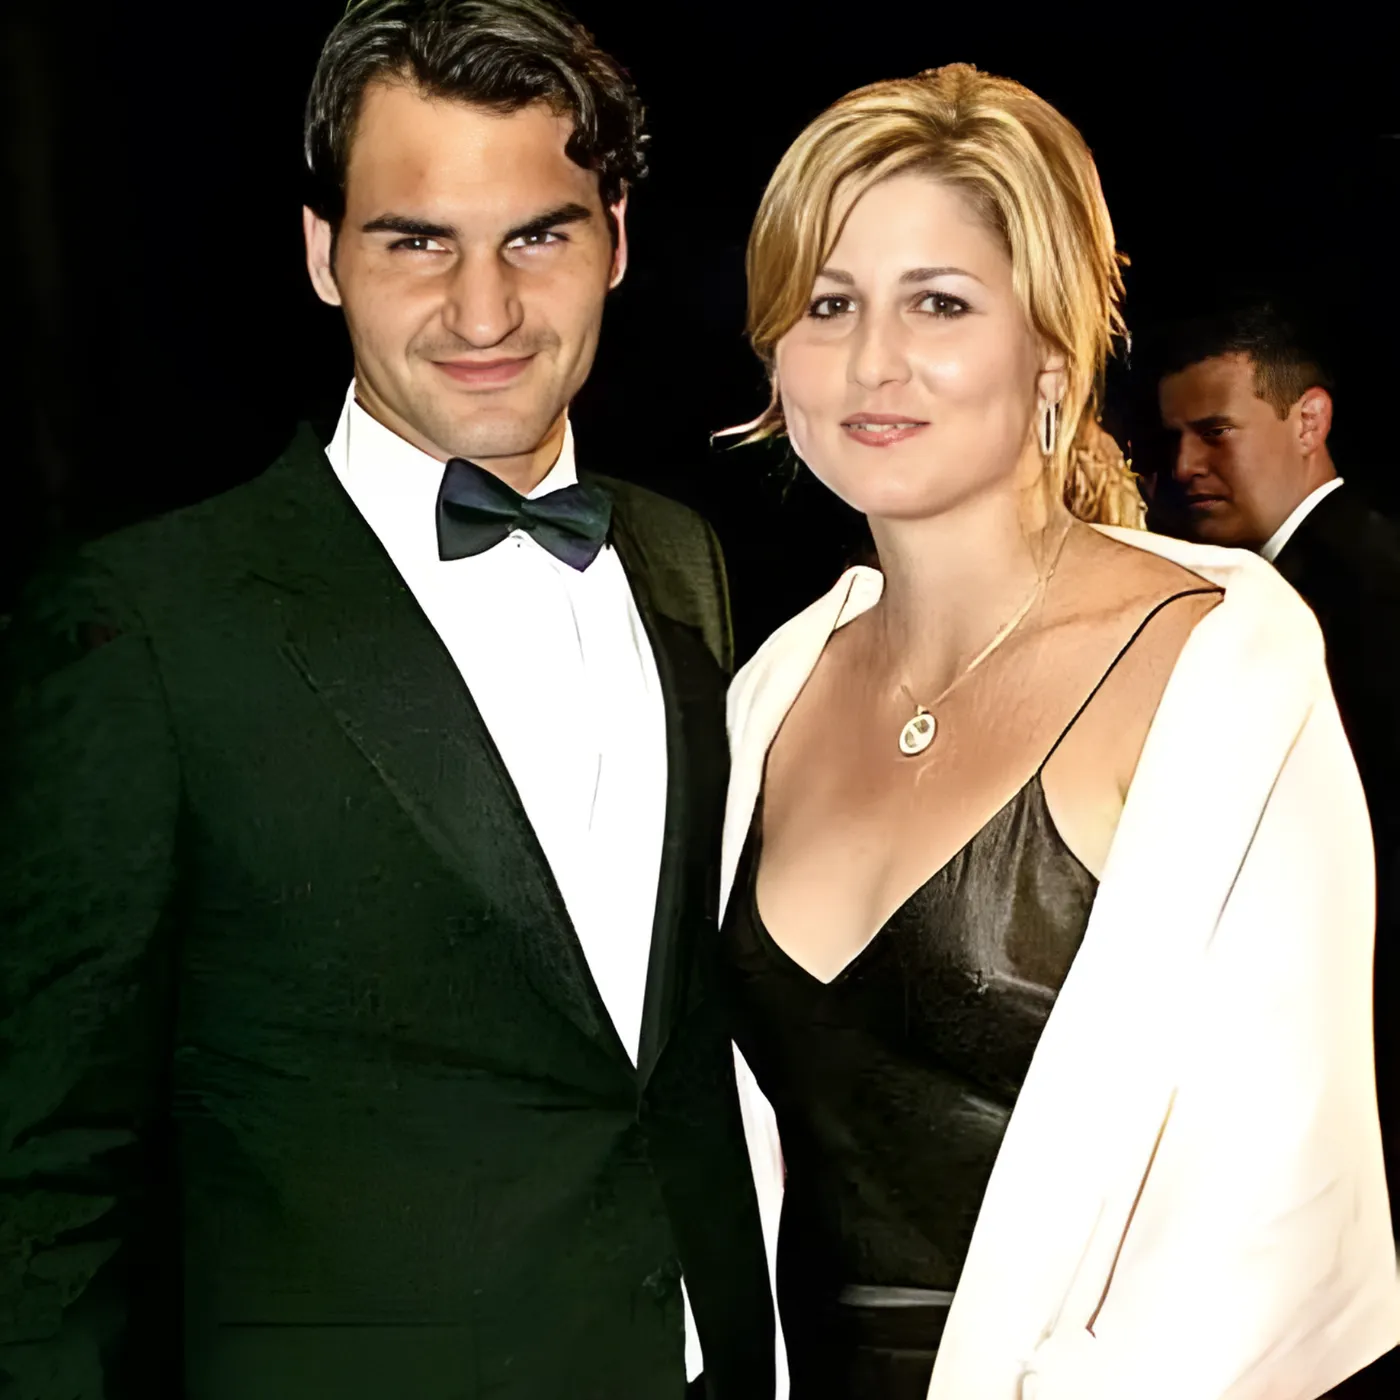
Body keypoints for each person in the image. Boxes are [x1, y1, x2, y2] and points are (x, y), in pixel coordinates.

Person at [0, 2, 774, 1397]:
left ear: (615, 239)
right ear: (323, 253)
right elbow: (43, 1174)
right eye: (416, 242)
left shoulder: (680, 561)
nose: (483, 312)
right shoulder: (146, 623)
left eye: (536, 237)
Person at [715, 64, 1400, 1399]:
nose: (872, 359)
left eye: (938, 302)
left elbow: (1264, 1235)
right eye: (828, 303)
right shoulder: (769, 690)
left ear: (1050, 350)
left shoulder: (1218, 666)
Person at [1157, 303, 1400, 1396]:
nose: (1183, 466)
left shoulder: (1344, 593)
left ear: (1309, 420)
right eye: (1173, 437)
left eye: (1214, 431)